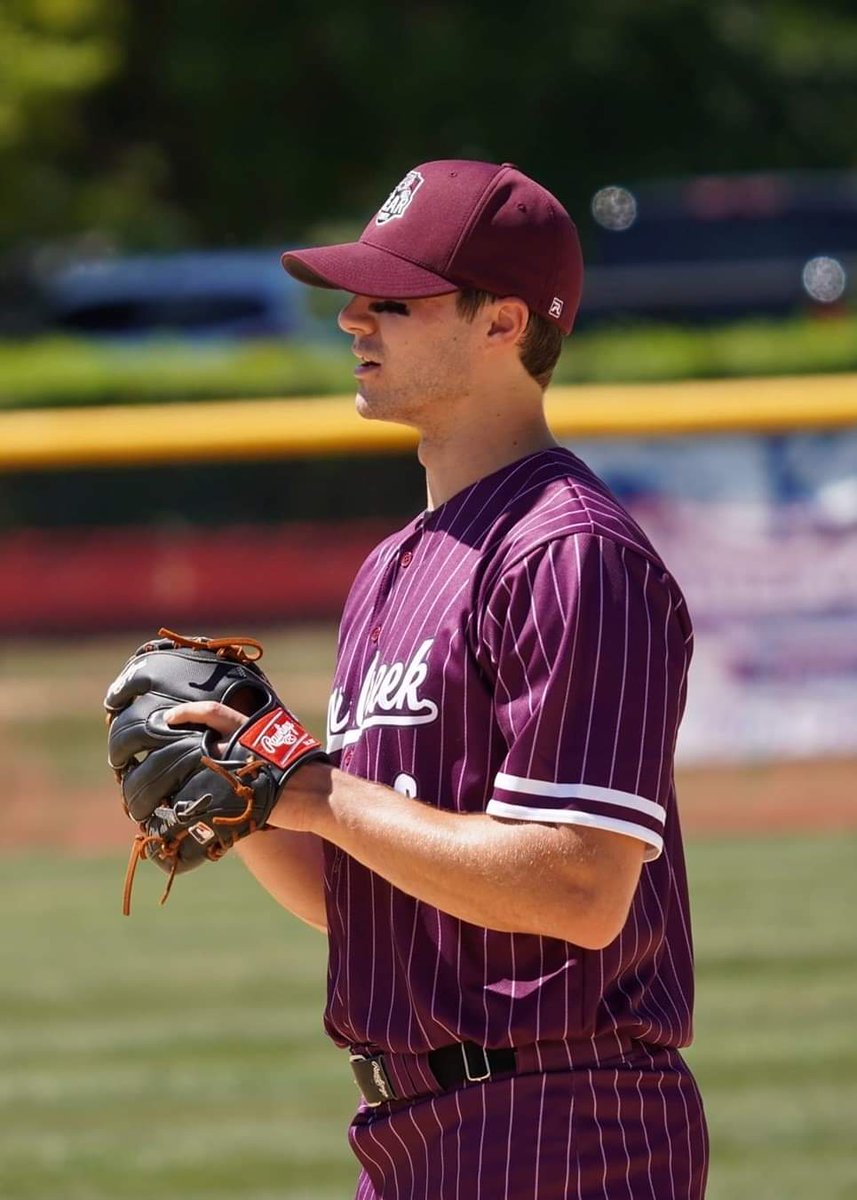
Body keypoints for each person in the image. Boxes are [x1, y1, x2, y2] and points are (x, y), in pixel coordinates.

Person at [166, 160, 709, 1198]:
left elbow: (576, 885)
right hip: (412, 1131)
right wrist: (246, 791)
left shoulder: (566, 554)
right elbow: (373, 898)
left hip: (563, 1126)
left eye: (394, 300)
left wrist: (315, 788)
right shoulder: (393, 568)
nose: (352, 321)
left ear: (502, 322)